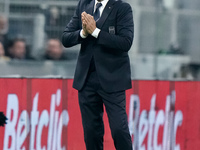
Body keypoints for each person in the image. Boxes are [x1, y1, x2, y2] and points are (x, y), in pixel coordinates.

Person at [62, 0, 134, 149]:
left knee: (119, 130)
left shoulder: (122, 8)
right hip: (87, 79)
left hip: (113, 79)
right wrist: (83, 32)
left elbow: (126, 42)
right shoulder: (84, 4)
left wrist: (95, 32)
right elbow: (66, 38)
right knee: (91, 133)